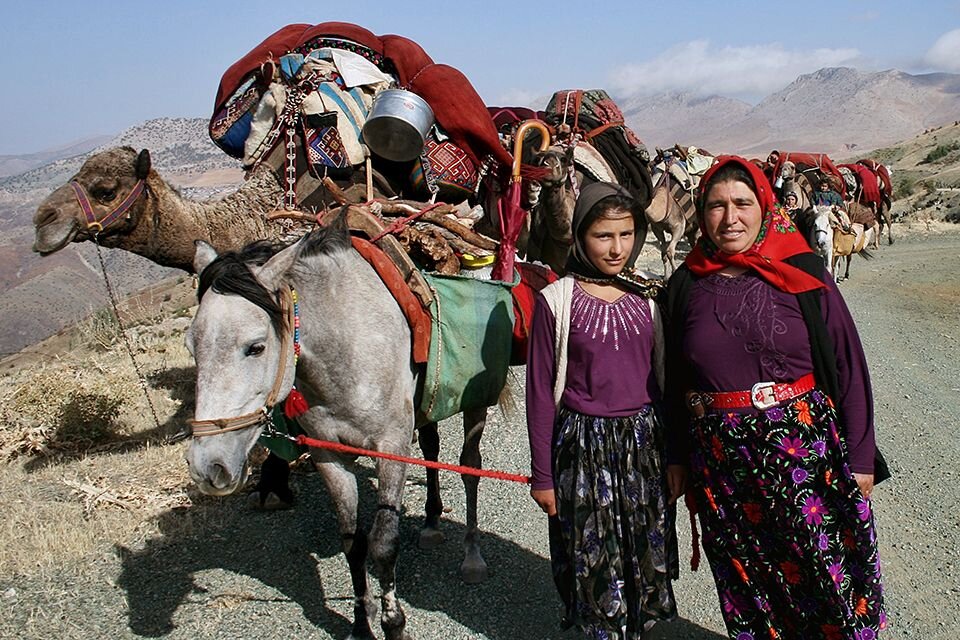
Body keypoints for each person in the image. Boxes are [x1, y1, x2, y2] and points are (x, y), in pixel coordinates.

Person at [663, 156, 886, 639]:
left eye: (742, 203)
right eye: (717, 206)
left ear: (764, 206)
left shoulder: (804, 271)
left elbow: (847, 363)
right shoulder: (685, 285)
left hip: (804, 453)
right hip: (721, 463)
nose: (730, 218)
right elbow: (673, 382)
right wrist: (678, 454)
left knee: (825, 575)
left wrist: (861, 456)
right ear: (701, 214)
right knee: (750, 579)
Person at [526, 181, 686, 639]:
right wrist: (542, 476)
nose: (617, 248)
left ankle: (640, 629)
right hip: (583, 449)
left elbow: (667, 385)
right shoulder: (557, 301)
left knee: (643, 549)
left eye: (627, 234)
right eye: (603, 236)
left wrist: (675, 455)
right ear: (579, 237)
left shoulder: (649, 299)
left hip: (644, 447)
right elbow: (539, 393)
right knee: (592, 556)